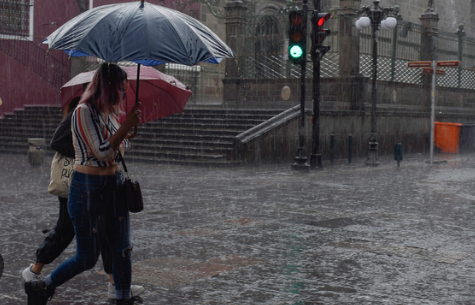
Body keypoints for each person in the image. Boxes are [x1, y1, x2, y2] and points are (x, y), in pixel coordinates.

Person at [24, 63, 141, 305]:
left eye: (125, 90)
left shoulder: (107, 115)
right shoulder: (83, 112)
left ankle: (122, 297)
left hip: (115, 186)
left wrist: (127, 132)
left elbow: (119, 150)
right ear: (107, 87)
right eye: (121, 89)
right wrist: (125, 128)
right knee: (87, 257)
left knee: (122, 249)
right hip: (88, 189)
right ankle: (42, 286)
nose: (123, 95)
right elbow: (101, 152)